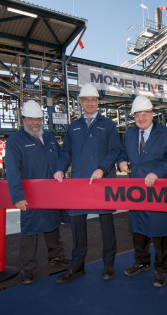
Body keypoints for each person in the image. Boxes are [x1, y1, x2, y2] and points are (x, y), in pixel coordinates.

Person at [54, 83, 121, 283]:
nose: (89, 103)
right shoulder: (73, 127)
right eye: (86, 100)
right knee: (77, 226)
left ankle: (109, 264)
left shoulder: (108, 125)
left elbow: (115, 150)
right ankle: (77, 266)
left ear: (98, 102)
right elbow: (65, 151)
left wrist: (103, 168)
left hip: (103, 182)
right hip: (78, 183)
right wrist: (59, 168)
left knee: (107, 226)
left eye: (93, 99)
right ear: (81, 102)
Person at [5, 100, 69, 285]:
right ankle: (28, 267)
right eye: (30, 119)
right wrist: (18, 196)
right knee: (30, 230)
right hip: (30, 195)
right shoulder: (15, 141)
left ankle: (56, 256)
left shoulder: (48, 137)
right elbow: (13, 170)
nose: (35, 123)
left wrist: (62, 170)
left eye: (38, 119)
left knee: (53, 224)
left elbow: (59, 157)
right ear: (23, 119)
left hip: (51, 192)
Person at [117, 95, 167, 288]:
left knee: (160, 231)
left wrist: (157, 173)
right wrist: (121, 161)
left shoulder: (166, 134)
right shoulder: (129, 134)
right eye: (137, 115)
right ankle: (142, 261)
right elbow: (122, 153)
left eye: (145, 114)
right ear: (133, 116)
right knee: (138, 229)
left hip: (157, 190)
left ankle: (161, 268)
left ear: (152, 114)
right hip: (136, 190)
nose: (141, 118)